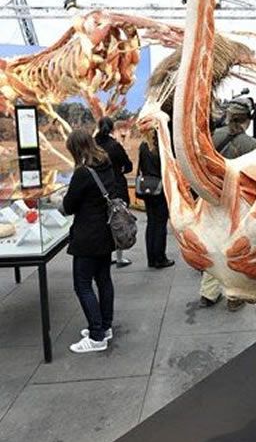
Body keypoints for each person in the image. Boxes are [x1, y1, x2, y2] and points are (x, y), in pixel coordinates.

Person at [200, 99, 256, 310]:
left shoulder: (211, 137)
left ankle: (208, 293)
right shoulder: (251, 145)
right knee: (236, 250)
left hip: (211, 200)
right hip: (238, 205)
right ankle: (234, 297)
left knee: (213, 246)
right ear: (247, 120)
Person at [63, 130, 116, 353]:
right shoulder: (105, 164)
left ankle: (96, 336)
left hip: (87, 236)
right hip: (105, 232)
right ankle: (105, 325)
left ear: (75, 149)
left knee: (82, 284)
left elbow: (68, 206)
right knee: (104, 280)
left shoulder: (83, 173)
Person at [95, 116, 133, 268]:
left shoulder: (93, 145)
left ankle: (104, 256)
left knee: (101, 221)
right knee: (118, 221)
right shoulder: (115, 146)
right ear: (112, 129)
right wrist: (119, 171)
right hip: (116, 186)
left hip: (97, 187)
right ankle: (119, 258)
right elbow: (128, 166)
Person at [138, 131, 174, 270]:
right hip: (160, 186)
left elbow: (140, 166)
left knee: (151, 222)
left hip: (147, 186)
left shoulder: (143, 146)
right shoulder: (162, 147)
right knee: (160, 223)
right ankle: (160, 257)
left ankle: (151, 258)